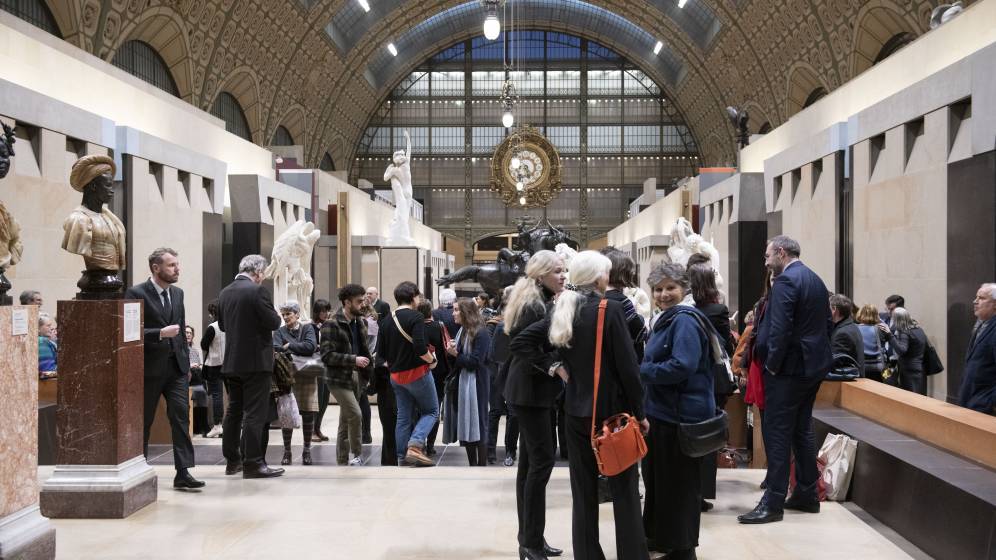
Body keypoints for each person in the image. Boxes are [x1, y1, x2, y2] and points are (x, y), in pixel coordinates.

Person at [517, 251, 649, 560]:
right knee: (624, 492)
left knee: (583, 492)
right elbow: (629, 369)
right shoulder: (610, 309)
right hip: (612, 416)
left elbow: (520, 342)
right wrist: (641, 413)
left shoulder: (563, 309)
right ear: (600, 277)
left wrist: (555, 367)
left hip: (575, 414)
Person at [739, 235, 832, 524]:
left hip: (788, 371)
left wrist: (773, 366)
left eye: (768, 256)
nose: (766, 262)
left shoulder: (786, 281)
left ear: (781, 253)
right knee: (801, 429)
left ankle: (773, 503)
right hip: (811, 368)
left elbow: (779, 329)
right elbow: (828, 323)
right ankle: (807, 494)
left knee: (777, 433)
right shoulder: (815, 279)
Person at [640, 263, 716, 560]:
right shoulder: (670, 318)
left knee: (680, 488)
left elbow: (682, 365)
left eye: (670, 288)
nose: (663, 294)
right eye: (658, 289)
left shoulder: (684, 320)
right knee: (665, 484)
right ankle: (665, 540)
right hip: (666, 414)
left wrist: (645, 371)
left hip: (680, 418)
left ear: (684, 288)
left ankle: (682, 550)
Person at [503, 249, 567, 560]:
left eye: (564, 270)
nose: (563, 275)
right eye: (557, 271)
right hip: (531, 392)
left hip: (531, 391)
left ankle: (531, 538)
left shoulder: (535, 298)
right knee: (540, 465)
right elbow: (522, 345)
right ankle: (530, 541)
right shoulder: (534, 303)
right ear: (540, 274)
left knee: (531, 466)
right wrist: (554, 365)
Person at [124, 248, 202, 490]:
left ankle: (183, 472)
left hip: (176, 369)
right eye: (171, 265)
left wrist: (186, 363)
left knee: (180, 418)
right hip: (149, 369)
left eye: (177, 264)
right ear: (156, 268)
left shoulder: (177, 293)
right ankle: (138, 471)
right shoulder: (136, 293)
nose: (177, 269)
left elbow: (180, 331)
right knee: (144, 420)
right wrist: (159, 333)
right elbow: (129, 331)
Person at [218, 254, 284, 479]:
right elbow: (274, 322)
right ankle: (253, 463)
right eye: (263, 274)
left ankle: (232, 461)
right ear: (257, 272)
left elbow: (224, 326)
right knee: (255, 413)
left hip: (232, 362)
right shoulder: (257, 291)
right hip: (256, 362)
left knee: (233, 411)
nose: (262, 279)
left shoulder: (225, 292)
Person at [688, 263, 735, 513]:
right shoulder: (718, 309)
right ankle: (703, 492)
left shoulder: (684, 310)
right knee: (709, 438)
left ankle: (687, 490)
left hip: (688, 380)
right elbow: (726, 346)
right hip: (714, 382)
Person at [377, 281, 438, 466]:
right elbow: (420, 349)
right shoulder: (416, 317)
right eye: (418, 296)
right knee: (432, 411)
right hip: (417, 373)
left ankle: (402, 457)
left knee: (403, 417)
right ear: (413, 297)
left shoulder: (387, 319)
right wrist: (432, 360)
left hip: (396, 377)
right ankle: (415, 445)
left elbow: (381, 354)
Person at [321, 285, 373, 466]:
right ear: (346, 302)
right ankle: (358, 455)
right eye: (359, 301)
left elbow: (364, 350)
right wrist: (354, 360)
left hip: (358, 377)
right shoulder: (331, 323)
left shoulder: (361, 323)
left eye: (363, 301)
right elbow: (326, 356)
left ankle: (342, 460)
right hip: (338, 378)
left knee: (345, 421)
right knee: (356, 414)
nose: (362, 305)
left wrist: (366, 370)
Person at [445, 298, 492, 466]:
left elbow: (475, 362)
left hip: (477, 383)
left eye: (457, 310)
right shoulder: (462, 331)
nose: (453, 313)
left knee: (479, 422)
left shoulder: (481, 332)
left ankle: (481, 464)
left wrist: (456, 354)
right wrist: (453, 352)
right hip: (464, 382)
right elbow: (457, 363)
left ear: (466, 313)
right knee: (466, 421)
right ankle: (472, 464)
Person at [273, 301, 319, 465]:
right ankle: (287, 452)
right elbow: (276, 348)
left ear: (297, 315)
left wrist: (289, 346)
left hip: (307, 375)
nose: (285, 317)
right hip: (286, 376)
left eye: (288, 314)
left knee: (307, 413)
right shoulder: (279, 331)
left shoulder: (307, 328)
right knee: (287, 415)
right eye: (283, 314)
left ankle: (307, 451)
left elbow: (311, 346)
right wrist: (294, 347)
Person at [488, 286, 519, 467]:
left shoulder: (502, 321)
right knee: (500, 412)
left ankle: (505, 451)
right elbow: (493, 353)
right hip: (501, 371)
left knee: (508, 414)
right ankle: (497, 450)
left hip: (507, 371)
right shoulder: (497, 323)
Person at [419, 301, 452, 456]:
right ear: (430, 312)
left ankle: (418, 443)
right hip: (438, 372)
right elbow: (446, 347)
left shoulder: (415, 328)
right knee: (435, 409)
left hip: (419, 371)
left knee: (419, 409)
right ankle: (430, 445)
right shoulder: (439, 326)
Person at [960, 283, 996, 414]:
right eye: (976, 297)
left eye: (981, 298)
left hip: (985, 404)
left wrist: (991, 402)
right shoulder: (983, 324)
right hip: (972, 399)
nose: (975, 301)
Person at [879, 307, 927, 395]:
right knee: (918, 395)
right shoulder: (919, 329)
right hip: (919, 367)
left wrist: (890, 335)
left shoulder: (905, 332)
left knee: (910, 397)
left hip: (908, 369)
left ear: (898, 320)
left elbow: (901, 350)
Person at [199, 300, 226, 438]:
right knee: (229, 395)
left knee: (216, 395)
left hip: (215, 364)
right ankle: (227, 425)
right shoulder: (229, 325)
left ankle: (217, 425)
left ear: (212, 313)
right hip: (228, 364)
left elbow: (204, 345)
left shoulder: (213, 327)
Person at [311, 299, 334, 442]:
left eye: (327, 311)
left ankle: (318, 428)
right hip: (317, 366)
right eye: (322, 311)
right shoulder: (311, 327)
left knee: (325, 399)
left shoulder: (330, 325)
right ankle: (313, 430)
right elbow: (311, 345)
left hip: (328, 365)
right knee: (317, 399)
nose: (325, 314)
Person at [830, 294, 865, 377]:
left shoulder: (842, 333)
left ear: (834, 309)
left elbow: (835, 364)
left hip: (848, 385)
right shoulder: (850, 326)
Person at [186, 326, 210, 437]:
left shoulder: (196, 350)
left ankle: (203, 426)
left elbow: (200, 364)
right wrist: (190, 365)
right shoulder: (181, 349)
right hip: (186, 378)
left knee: (202, 393)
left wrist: (197, 366)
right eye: (186, 332)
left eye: (190, 333)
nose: (188, 335)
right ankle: (198, 426)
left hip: (197, 377)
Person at [855, 304, 888, 382]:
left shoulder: (854, 329)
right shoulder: (881, 329)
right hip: (878, 367)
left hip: (860, 366)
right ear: (876, 315)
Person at [38, 313, 57, 378]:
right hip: (48, 383)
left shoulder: (44, 340)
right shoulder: (42, 341)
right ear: (38, 328)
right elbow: (48, 370)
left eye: (51, 325)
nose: (51, 328)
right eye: (48, 326)